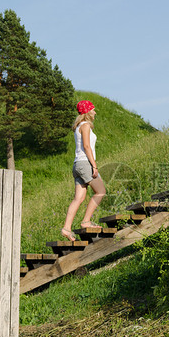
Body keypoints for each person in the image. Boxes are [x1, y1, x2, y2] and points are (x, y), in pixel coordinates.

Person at [61, 100, 107, 241]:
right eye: (93, 109)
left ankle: (66, 228)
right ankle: (86, 221)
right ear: (87, 112)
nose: (95, 112)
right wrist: (94, 165)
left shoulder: (78, 126)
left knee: (79, 198)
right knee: (101, 191)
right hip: (85, 163)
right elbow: (87, 146)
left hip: (77, 164)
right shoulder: (86, 125)